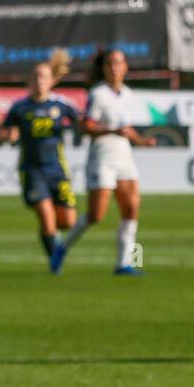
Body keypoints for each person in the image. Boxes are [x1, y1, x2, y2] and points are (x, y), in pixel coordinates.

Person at [54, 47, 156, 275]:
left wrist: (142, 141)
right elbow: (86, 126)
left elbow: (126, 130)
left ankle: (124, 263)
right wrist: (111, 130)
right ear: (103, 68)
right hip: (102, 157)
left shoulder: (128, 94)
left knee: (131, 209)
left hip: (124, 157)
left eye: (118, 63)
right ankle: (62, 247)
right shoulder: (98, 94)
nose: (114, 68)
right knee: (96, 215)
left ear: (125, 67)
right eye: (109, 63)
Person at [0, 52, 80, 272]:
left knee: (68, 222)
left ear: (52, 80)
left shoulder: (62, 105)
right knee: (46, 216)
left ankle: (52, 238)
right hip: (32, 170)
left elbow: (82, 122)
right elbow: (2, 132)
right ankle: (56, 261)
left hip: (57, 169)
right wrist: (8, 135)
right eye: (35, 77)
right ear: (29, 81)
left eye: (43, 77)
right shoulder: (19, 107)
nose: (39, 81)